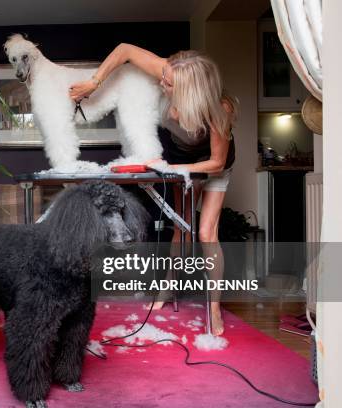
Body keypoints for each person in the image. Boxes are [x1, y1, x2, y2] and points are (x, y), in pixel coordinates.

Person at [69, 44, 238, 336]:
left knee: (207, 233)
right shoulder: (169, 70)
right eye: (165, 77)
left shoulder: (219, 107)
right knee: (180, 227)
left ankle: (213, 307)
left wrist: (172, 170)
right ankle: (167, 289)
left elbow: (216, 161)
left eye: (168, 84)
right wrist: (94, 82)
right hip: (180, 158)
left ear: (191, 89)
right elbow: (124, 50)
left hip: (212, 165)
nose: (162, 84)